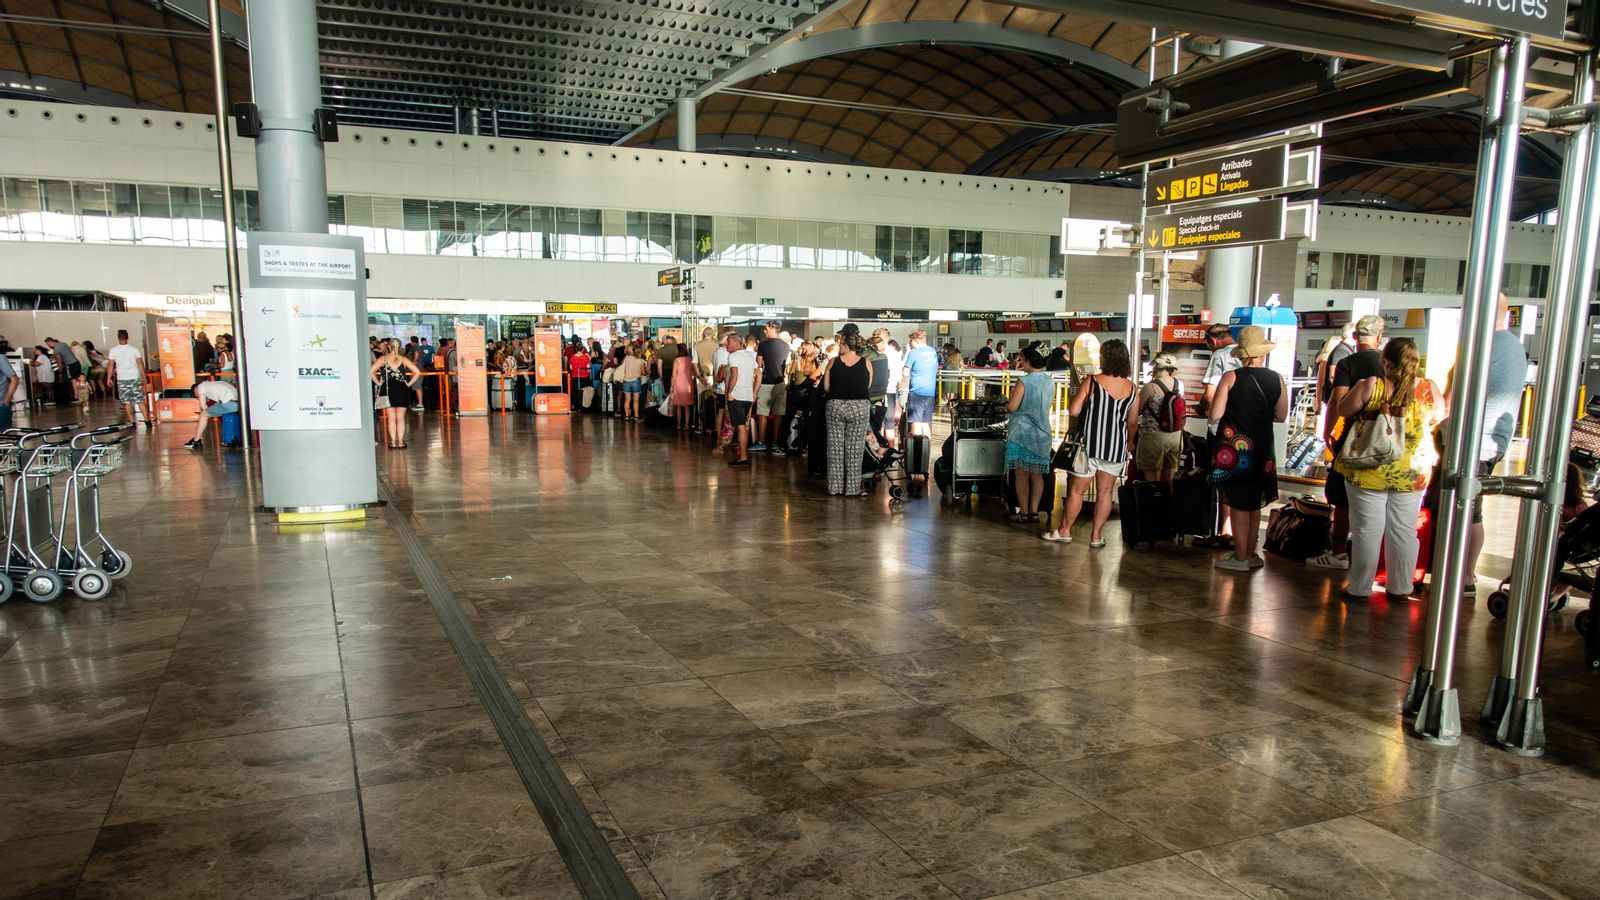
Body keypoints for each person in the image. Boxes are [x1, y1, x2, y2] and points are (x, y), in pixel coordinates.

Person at [1334, 337, 1443, 600]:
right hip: (1412, 471)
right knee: (1404, 530)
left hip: (1368, 469)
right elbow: (1438, 416)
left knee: (1366, 531)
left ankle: (1360, 587)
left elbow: (1343, 409)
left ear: (1385, 361)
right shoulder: (1428, 389)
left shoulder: (1374, 385)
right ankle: (1401, 588)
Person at [1458, 293, 1528, 596]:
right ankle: (1466, 575)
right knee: (1473, 508)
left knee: (1461, 508)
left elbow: (1454, 396)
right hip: (1495, 440)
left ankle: (1462, 576)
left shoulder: (1481, 347)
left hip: (1473, 440)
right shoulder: (1515, 347)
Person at [1207, 326, 1289, 571]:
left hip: (1236, 449)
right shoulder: (1277, 379)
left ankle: (1240, 557)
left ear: (1241, 353)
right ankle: (1251, 554)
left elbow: (1215, 413)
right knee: (1254, 503)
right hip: (1263, 448)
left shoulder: (1231, 377)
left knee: (1239, 503)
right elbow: (1282, 414)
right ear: (1261, 352)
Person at [1043, 340, 1137, 546]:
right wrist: (1129, 442)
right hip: (1115, 447)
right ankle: (1096, 536)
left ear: (1105, 358)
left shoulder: (1092, 381)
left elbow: (1074, 410)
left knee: (1077, 490)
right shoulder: (1132, 388)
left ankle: (1064, 531)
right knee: (1105, 492)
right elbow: (1132, 422)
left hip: (1089, 447)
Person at [1310, 315, 1386, 570]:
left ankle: (1339, 551)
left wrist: (1328, 433)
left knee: (1342, 496)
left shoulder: (1348, 363)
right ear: (1379, 336)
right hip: (1383, 439)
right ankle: (1371, 556)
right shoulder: (1388, 364)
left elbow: (1337, 402)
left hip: (1351, 437)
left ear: (1355, 338)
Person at [1197, 323, 1241, 547]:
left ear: (1212, 341)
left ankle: (1224, 530)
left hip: (1221, 429)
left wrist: (1201, 407)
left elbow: (1210, 394)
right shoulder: (1247, 356)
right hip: (1244, 431)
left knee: (1220, 480)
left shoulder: (1220, 356)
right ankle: (1242, 532)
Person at [1005, 346, 1054, 522]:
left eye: (1022, 359)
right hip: (1042, 434)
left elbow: (1012, 406)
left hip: (1022, 434)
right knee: (1037, 474)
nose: (1021, 363)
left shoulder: (1024, 381)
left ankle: (1024, 512)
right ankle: (1034, 512)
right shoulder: (1049, 380)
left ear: (1028, 360)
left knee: (1021, 474)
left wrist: (1007, 404)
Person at [823, 327, 872, 495]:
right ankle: (851, 489)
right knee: (855, 449)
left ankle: (834, 487)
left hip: (835, 406)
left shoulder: (833, 362)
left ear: (844, 345)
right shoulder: (866, 362)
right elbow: (868, 386)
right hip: (859, 407)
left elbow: (827, 387)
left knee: (835, 448)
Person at [1133, 353, 1185, 485]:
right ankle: (1169, 504)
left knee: (1152, 479)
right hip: (1175, 436)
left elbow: (1137, 411)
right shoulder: (1180, 385)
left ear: (1156, 366)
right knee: (1171, 477)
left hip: (1153, 437)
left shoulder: (1150, 387)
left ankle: (1154, 504)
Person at [370, 338, 422, 448]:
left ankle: (393, 443)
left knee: (391, 418)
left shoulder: (383, 359)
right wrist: (408, 384)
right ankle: (401, 442)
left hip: (387, 389)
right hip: (402, 388)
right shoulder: (403, 359)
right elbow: (417, 372)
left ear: (389, 346)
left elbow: (370, 372)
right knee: (401, 418)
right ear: (400, 346)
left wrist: (378, 383)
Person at [754, 322, 790, 451]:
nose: (764, 331)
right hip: (780, 382)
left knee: (762, 412)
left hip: (766, 382)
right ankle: (775, 441)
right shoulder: (786, 346)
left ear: (772, 329)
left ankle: (761, 441)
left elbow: (758, 364)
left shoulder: (763, 345)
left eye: (766, 329)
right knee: (778, 413)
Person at [106, 329, 152, 427]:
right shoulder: (133, 349)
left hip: (122, 378)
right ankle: (147, 421)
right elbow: (140, 363)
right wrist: (144, 376)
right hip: (135, 377)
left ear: (118, 338)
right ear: (127, 337)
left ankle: (132, 421)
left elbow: (110, 365)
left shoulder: (113, 350)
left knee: (127, 401)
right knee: (139, 400)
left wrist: (108, 378)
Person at [724, 333, 757, 466]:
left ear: (736, 343)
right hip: (747, 396)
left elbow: (734, 374)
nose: (726, 344)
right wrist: (754, 392)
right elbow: (759, 374)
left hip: (736, 396)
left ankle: (743, 457)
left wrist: (729, 392)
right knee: (742, 425)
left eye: (728, 342)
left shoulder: (733, 356)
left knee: (741, 426)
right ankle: (741, 456)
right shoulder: (749, 356)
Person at [902, 330, 939, 441]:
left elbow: (905, 373)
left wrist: (908, 353)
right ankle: (926, 454)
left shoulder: (914, 353)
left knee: (916, 423)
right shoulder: (933, 351)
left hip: (917, 392)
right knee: (925, 423)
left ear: (914, 341)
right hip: (930, 392)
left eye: (910, 341)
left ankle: (918, 451)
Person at [183, 378, 240, 450]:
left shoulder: (201, 386)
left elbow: (203, 407)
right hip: (238, 403)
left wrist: (206, 409)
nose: (197, 395)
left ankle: (196, 441)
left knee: (203, 414)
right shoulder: (214, 383)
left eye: (196, 395)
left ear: (195, 390)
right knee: (214, 407)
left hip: (229, 404)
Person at [670, 336, 699, 431]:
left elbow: (674, 375)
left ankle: (679, 425)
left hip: (678, 383)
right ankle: (687, 425)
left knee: (678, 406)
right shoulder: (690, 359)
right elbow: (693, 371)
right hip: (688, 384)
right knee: (687, 406)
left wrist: (671, 386)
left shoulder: (677, 360)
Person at [617, 344, 647, 421]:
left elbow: (622, 366)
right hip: (636, 381)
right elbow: (643, 373)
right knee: (636, 400)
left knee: (627, 400)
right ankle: (636, 417)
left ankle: (627, 416)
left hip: (626, 381)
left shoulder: (627, 358)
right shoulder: (641, 360)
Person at [0, 351, 17, 430]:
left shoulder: (1, 358)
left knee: (3, 436)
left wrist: (6, 401)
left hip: (1, 405)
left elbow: (14, 379)